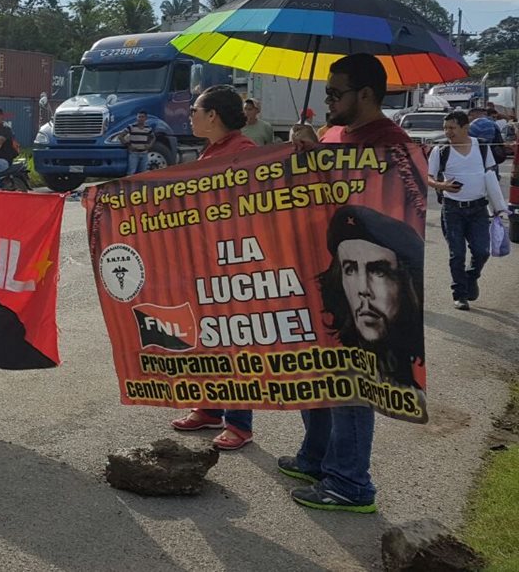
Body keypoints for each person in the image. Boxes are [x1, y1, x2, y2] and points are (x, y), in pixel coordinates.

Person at [279, 52, 414, 515]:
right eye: (326, 93)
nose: (329, 101)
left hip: (364, 282)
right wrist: (305, 148)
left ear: (367, 94)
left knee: (350, 379)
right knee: (317, 369)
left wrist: (323, 157)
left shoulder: (392, 142)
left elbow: (386, 205)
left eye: (336, 93)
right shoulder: (333, 133)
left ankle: (350, 482)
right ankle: (315, 459)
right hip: (323, 272)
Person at [171, 86, 259, 449]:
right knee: (207, 337)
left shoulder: (244, 152)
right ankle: (208, 408)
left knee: (234, 340)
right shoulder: (211, 150)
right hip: (203, 259)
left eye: (194, 109)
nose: (189, 115)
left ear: (213, 115)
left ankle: (239, 422)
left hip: (233, 262)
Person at [319, 204, 426, 389]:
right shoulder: (338, 383)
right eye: (350, 269)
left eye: (378, 271)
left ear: (406, 284)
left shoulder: (412, 391)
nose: (363, 289)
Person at [427, 111, 508, 311]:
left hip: (479, 209)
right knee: (457, 254)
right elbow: (428, 177)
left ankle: (471, 278)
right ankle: (460, 295)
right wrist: (442, 185)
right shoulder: (440, 150)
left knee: (482, 251)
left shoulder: (482, 147)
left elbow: (491, 176)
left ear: (465, 128)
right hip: (452, 209)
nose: (448, 132)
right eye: (445, 128)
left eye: (452, 128)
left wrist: (498, 207)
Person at [117, 111, 155, 176]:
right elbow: (120, 136)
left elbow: (153, 137)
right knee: (131, 172)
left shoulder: (148, 128)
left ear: (146, 118)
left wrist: (150, 145)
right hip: (134, 153)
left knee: (143, 173)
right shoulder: (131, 127)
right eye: (139, 117)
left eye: (142, 117)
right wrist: (128, 145)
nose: (140, 119)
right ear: (137, 118)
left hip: (144, 153)